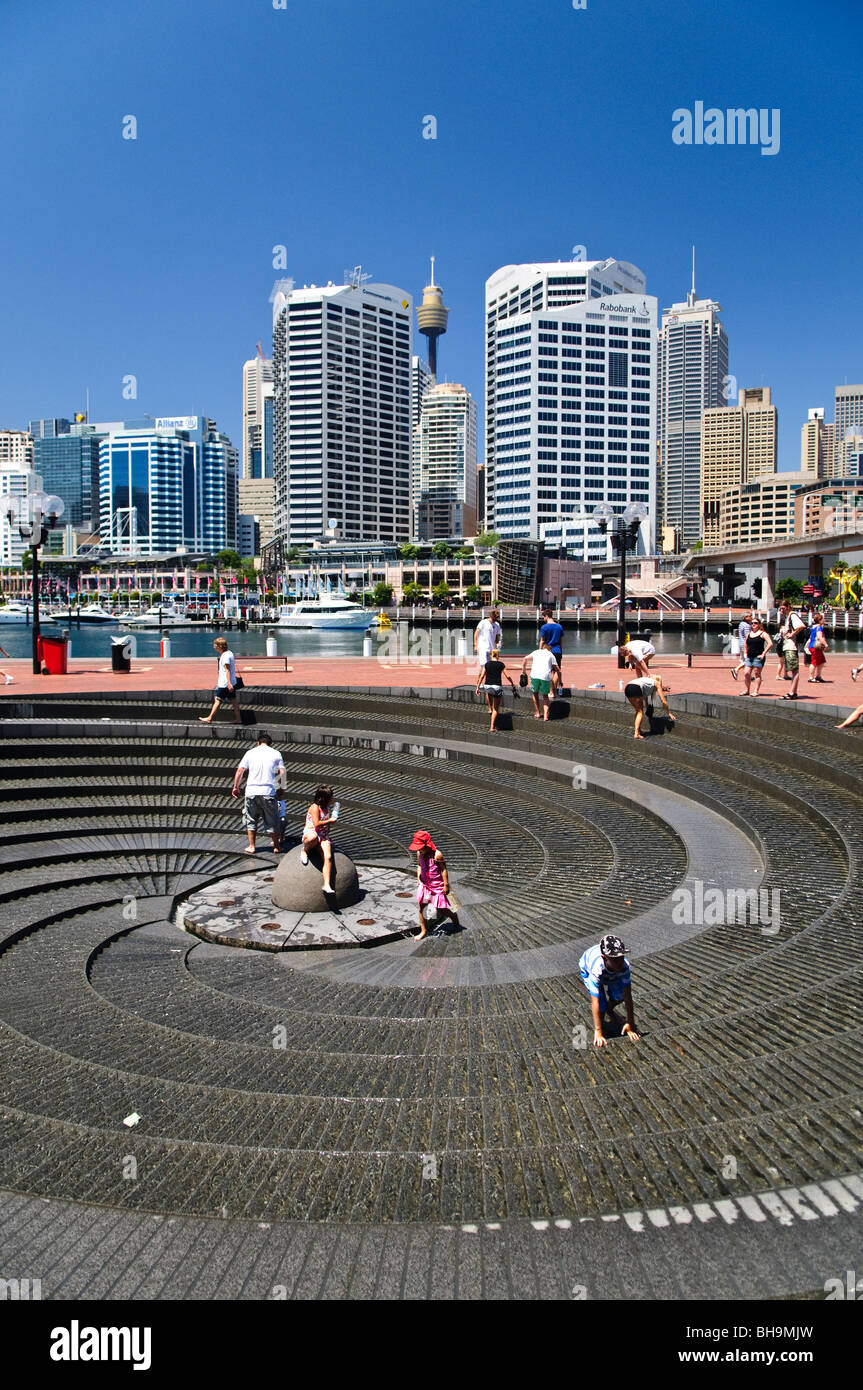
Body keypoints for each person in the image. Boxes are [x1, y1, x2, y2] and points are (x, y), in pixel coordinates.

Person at [579, 934, 640, 1048]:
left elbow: (628, 996)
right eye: (615, 959)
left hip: (610, 971)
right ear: (604, 957)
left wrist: (630, 1023)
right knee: (601, 1004)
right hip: (587, 968)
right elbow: (595, 1001)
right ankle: (602, 1023)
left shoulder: (623, 966)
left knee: (620, 996)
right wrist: (598, 1031)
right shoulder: (596, 968)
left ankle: (609, 1009)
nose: (619, 962)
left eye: (621, 957)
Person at [231, 730, 285, 855]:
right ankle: (276, 846)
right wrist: (281, 788)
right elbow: (282, 772)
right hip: (268, 791)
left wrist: (236, 787)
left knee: (251, 819)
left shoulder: (250, 753)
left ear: (258, 743)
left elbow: (240, 771)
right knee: (272, 819)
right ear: (270, 744)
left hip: (251, 791)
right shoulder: (276, 754)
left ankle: (252, 846)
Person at [409, 830, 460, 940]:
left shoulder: (437, 855)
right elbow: (419, 865)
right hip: (425, 884)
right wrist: (419, 878)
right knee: (421, 908)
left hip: (437, 886)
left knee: (440, 909)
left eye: (420, 847)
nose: (419, 850)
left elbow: (444, 870)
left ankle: (453, 917)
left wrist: (446, 884)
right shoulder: (419, 853)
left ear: (427, 845)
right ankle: (423, 930)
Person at [301, 784, 338, 896]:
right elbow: (316, 824)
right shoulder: (314, 807)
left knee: (328, 857)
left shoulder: (327, 808)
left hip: (322, 835)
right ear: (325, 798)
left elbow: (326, 825)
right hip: (312, 832)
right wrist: (330, 821)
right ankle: (305, 850)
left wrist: (327, 834)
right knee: (312, 838)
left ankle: (326, 884)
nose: (333, 799)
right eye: (331, 797)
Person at [199, 637, 241, 724]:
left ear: (220, 646)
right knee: (233, 700)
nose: (214, 647)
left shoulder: (225, 656)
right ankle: (238, 718)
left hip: (225, 684)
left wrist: (229, 683)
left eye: (215, 645)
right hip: (231, 682)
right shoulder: (229, 653)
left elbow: (227, 670)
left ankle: (209, 718)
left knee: (218, 700)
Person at [475, 646, 517, 732]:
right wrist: (512, 684)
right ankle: (492, 727)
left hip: (487, 686)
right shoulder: (501, 664)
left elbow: (482, 676)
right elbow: (507, 676)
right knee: (496, 709)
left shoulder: (487, 664)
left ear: (491, 655)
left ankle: (489, 708)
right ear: (498, 656)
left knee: (488, 692)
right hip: (497, 687)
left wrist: (478, 687)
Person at [624, 671, 674, 738]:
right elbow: (663, 701)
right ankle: (636, 734)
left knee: (638, 710)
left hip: (627, 687)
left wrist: (647, 706)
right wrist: (669, 713)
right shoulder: (656, 684)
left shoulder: (646, 681)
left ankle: (638, 730)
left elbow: (645, 698)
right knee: (640, 712)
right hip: (636, 688)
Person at [522, 639, 559, 721]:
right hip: (545, 676)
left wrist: (524, 670)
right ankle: (545, 716)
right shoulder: (550, 654)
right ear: (550, 649)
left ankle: (538, 713)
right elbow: (557, 669)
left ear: (542, 648)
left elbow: (525, 658)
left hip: (534, 675)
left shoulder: (536, 652)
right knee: (545, 696)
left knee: (535, 693)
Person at [776, 600, 806, 700]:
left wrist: (792, 634)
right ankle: (792, 691)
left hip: (791, 647)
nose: (781, 610)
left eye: (783, 608)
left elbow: (801, 626)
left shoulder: (792, 615)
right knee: (793, 670)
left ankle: (792, 692)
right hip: (787, 646)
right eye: (780, 608)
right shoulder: (788, 616)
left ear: (789, 606)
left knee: (794, 670)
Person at [742, 615, 773, 696]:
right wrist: (745, 653)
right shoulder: (749, 634)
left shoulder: (763, 633)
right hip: (749, 656)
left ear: (759, 624)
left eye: (755, 623)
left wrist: (763, 653)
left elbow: (770, 643)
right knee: (746, 673)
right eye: (752, 623)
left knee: (757, 673)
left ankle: (756, 691)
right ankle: (747, 690)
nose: (753, 624)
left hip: (758, 657)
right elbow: (745, 644)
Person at [539, 607, 564, 693]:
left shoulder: (544, 627)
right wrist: (561, 651)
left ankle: (551, 691)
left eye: (543, 617)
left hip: (547, 651)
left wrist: (540, 651)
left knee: (548, 670)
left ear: (546, 616)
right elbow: (561, 641)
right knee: (557, 670)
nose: (543, 619)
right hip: (557, 650)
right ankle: (554, 691)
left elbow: (542, 641)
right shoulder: (559, 626)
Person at [806, 611, 829, 684]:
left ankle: (818, 676)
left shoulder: (813, 627)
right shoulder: (819, 628)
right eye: (822, 619)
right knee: (814, 662)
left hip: (812, 645)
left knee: (821, 661)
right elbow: (820, 637)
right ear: (819, 620)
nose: (823, 620)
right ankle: (811, 677)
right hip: (815, 646)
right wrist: (826, 645)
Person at [730, 611, 752, 682]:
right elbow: (747, 636)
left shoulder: (741, 624)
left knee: (743, 660)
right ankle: (736, 669)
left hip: (741, 644)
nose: (751, 617)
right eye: (749, 616)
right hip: (746, 645)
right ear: (745, 617)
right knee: (749, 660)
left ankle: (748, 675)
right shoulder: (747, 626)